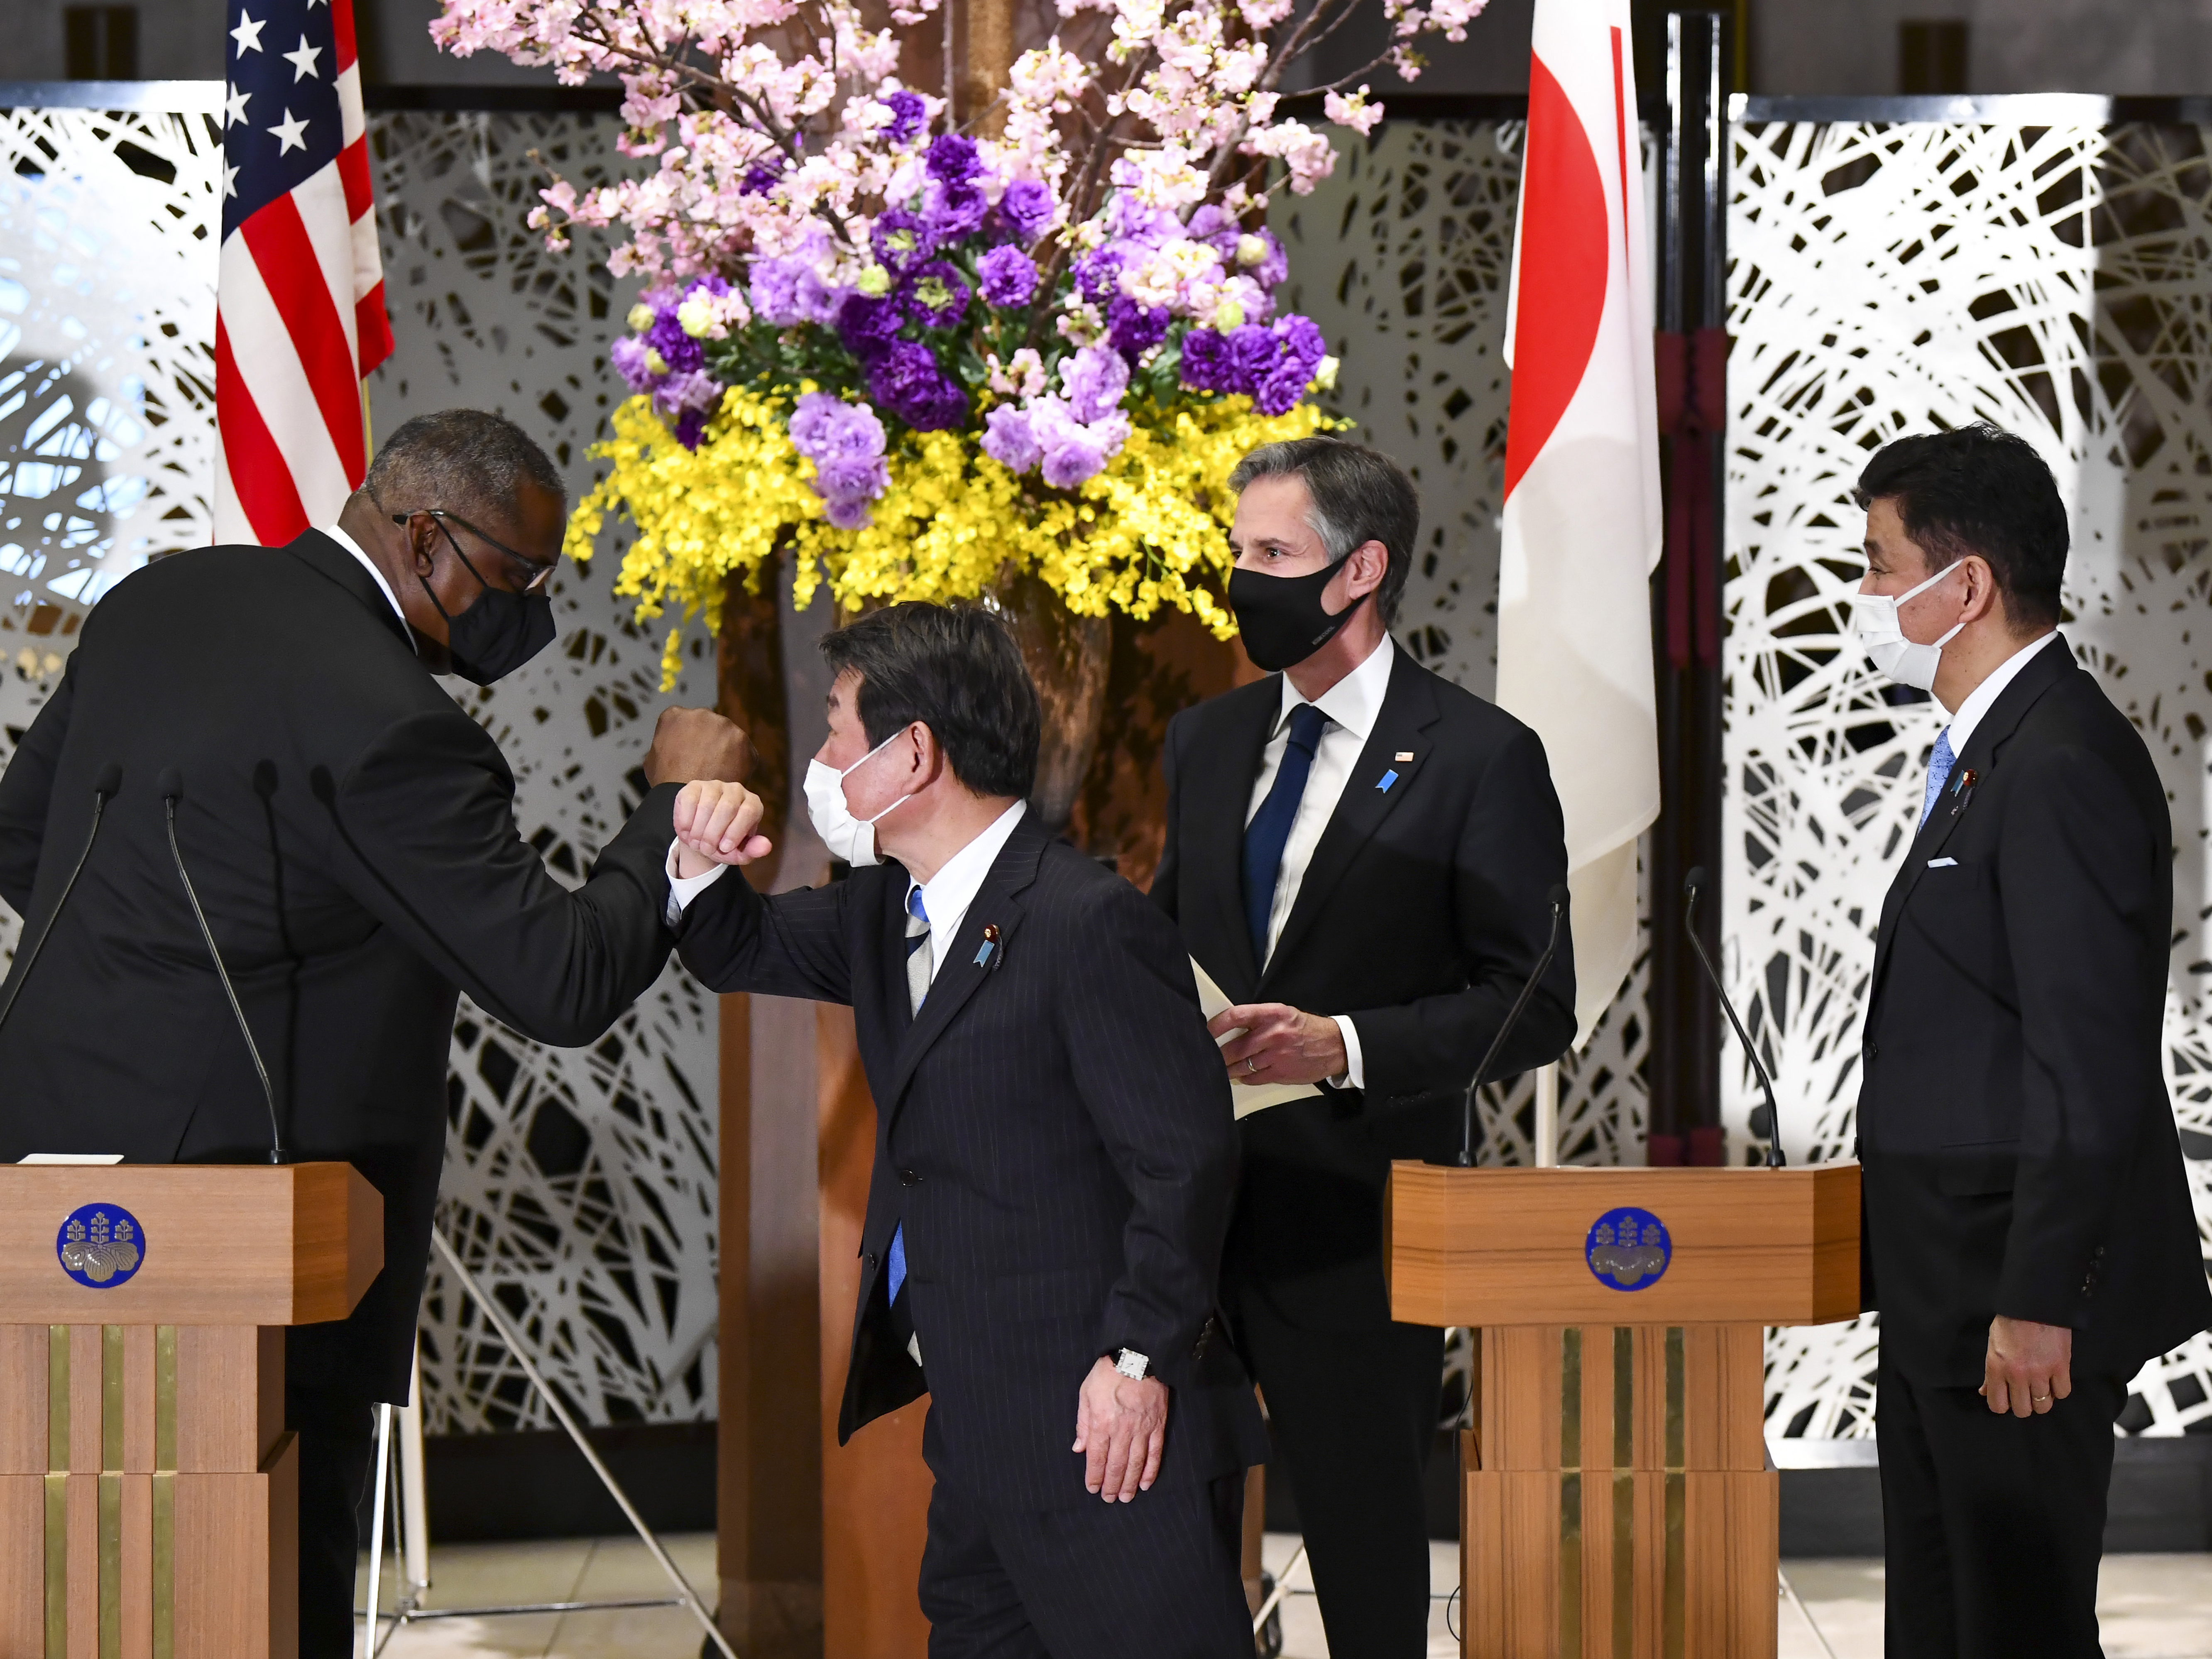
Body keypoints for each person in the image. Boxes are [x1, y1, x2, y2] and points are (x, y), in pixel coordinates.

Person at [0, 409, 751, 1656]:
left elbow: (26, 842)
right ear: (425, 540)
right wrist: (665, 813)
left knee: (60, 1565)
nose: (529, 615)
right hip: (258, 1235)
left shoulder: (155, 602)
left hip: (39, 1185)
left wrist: (182, 974)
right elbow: (559, 981)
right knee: (265, 1591)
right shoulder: (399, 723)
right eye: (516, 577)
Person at [667, 601, 1266, 1658]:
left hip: (1109, 1430)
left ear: (913, 753)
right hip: (981, 1429)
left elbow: (1185, 1160)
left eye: (841, 728)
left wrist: (1135, 1362)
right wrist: (695, 849)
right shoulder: (876, 909)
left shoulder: (1087, 920)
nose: (823, 757)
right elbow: (734, 947)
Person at [1151, 436, 1576, 1658]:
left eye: (1272, 553)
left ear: (1360, 570)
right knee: (1169, 1546)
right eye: (1241, 550)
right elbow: (1171, 934)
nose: (1242, 577)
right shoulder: (1208, 740)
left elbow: (1532, 1001)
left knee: (1366, 1558)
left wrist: (1339, 1046)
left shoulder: (1482, 758)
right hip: (1188, 1215)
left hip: (1361, 1226)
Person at [1848, 423, 2212, 1658]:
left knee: (2018, 1628)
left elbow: (2088, 1057)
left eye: (1881, 566)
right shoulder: (1987, 755)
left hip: (2015, 1301)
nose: (1867, 597)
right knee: (1944, 1625)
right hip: (1942, 1292)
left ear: (1969, 587)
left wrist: (2039, 1297)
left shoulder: (2058, 760)